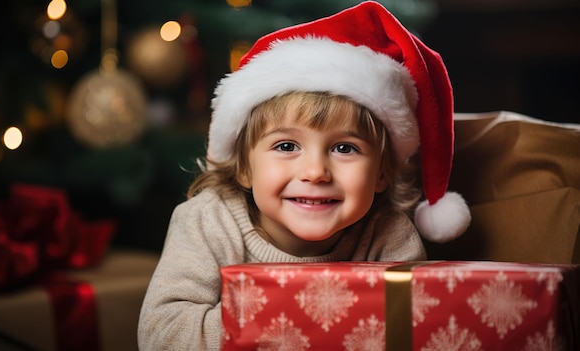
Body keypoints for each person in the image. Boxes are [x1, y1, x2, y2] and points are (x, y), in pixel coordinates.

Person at [138, 2, 471, 350]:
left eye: (344, 149)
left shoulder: (385, 235)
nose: (315, 172)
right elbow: (162, 334)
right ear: (244, 167)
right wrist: (282, 319)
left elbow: (414, 329)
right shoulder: (207, 221)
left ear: (382, 174)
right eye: (285, 146)